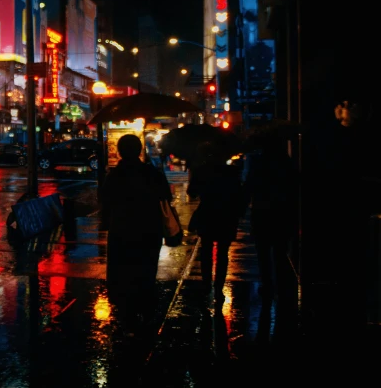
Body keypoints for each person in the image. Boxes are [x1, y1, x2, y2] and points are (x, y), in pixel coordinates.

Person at [100, 134, 172, 325]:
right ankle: (145, 309)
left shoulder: (114, 175)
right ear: (140, 150)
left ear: (120, 151)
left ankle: (127, 315)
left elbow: (105, 202)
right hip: (149, 230)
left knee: (123, 272)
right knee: (146, 270)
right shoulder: (152, 173)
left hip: (122, 230)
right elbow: (165, 196)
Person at [243, 134, 299, 305]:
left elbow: (249, 186)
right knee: (280, 252)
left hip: (262, 212)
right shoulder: (286, 162)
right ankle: (281, 285)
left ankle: (267, 285)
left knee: (263, 252)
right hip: (282, 212)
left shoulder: (258, 163)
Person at [186, 142, 245, 302]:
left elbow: (191, 192)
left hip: (208, 213)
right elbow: (238, 193)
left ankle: (206, 285)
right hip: (226, 214)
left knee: (206, 250)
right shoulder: (231, 171)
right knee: (222, 253)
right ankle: (218, 288)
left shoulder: (202, 171)